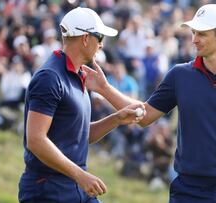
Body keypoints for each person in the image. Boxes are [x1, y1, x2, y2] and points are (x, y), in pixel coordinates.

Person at [84, 3, 216, 203]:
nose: (194, 39)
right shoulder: (180, 75)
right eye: (194, 32)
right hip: (189, 189)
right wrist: (104, 88)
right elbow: (145, 116)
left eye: (202, 34)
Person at [18, 7, 145, 203]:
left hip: (73, 186)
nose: (102, 45)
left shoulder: (78, 76)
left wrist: (116, 119)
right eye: (99, 38)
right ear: (86, 38)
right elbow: (35, 140)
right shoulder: (50, 78)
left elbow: (77, 135)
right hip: (48, 190)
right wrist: (79, 175)